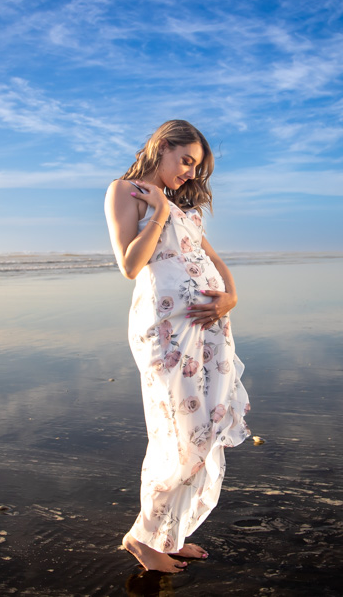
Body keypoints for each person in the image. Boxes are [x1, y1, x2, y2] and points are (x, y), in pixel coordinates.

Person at [104, 120, 251, 573]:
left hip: (210, 329)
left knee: (205, 428)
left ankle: (169, 536)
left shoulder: (180, 205)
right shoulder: (125, 191)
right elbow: (130, 265)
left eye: (196, 167)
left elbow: (214, 259)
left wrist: (231, 296)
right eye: (186, 160)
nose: (189, 173)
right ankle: (141, 539)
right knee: (178, 434)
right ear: (162, 146)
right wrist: (160, 212)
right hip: (167, 333)